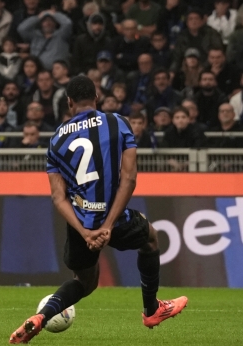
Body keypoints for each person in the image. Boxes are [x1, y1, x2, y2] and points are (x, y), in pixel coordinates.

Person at [10, 76, 187, 344]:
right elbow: (129, 179)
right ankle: (151, 310)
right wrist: (108, 225)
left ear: (69, 103)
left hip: (81, 223)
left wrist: (85, 232)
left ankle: (41, 317)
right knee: (150, 237)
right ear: (96, 97)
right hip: (112, 217)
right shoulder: (118, 123)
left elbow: (58, 198)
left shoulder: (56, 140)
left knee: (85, 282)